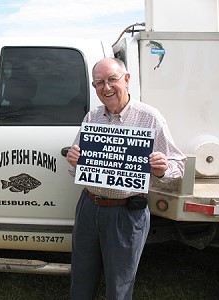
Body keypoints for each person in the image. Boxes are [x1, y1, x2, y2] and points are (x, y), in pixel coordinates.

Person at [66, 58, 186, 300]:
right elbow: (77, 167)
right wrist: (73, 160)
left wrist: (162, 170)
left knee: (119, 285)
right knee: (81, 278)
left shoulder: (150, 118)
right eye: (99, 83)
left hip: (126, 213)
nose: (106, 88)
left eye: (112, 80)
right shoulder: (92, 117)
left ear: (127, 79)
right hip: (89, 207)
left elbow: (178, 165)